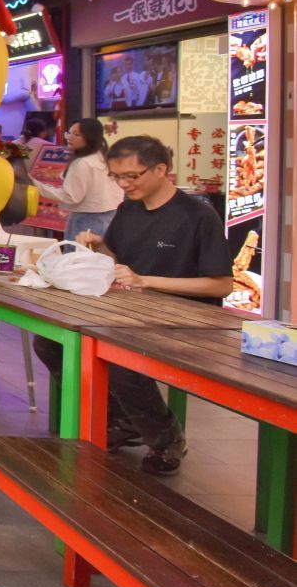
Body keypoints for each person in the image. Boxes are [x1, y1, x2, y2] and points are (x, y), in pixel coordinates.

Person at [54, 136, 231, 474]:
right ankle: (124, 420)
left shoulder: (197, 216)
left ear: (161, 169)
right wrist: (97, 246)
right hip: (131, 312)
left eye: (132, 176)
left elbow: (221, 284)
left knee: (121, 359)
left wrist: (146, 281)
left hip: (185, 321)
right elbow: (116, 258)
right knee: (54, 343)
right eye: (116, 177)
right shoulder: (128, 209)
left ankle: (166, 438)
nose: (123, 184)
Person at [33, 117, 122, 243]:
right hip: (111, 215)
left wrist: (34, 184)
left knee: (76, 253)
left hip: (88, 218)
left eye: (76, 134)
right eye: (69, 133)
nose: (70, 137)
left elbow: (70, 196)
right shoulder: (104, 157)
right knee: (100, 253)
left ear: (90, 137)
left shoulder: (83, 163)